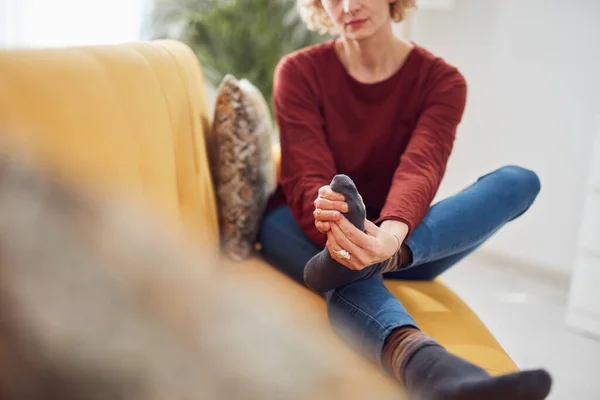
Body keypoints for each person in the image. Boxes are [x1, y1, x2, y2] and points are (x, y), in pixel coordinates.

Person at [259, 1, 553, 399]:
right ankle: (433, 371)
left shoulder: (442, 82)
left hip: (399, 242)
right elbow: (308, 176)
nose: (348, 6)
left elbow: (421, 167)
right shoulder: (298, 72)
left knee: (519, 181)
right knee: (341, 262)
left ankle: (372, 260)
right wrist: (340, 227)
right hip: (302, 228)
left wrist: (388, 243)